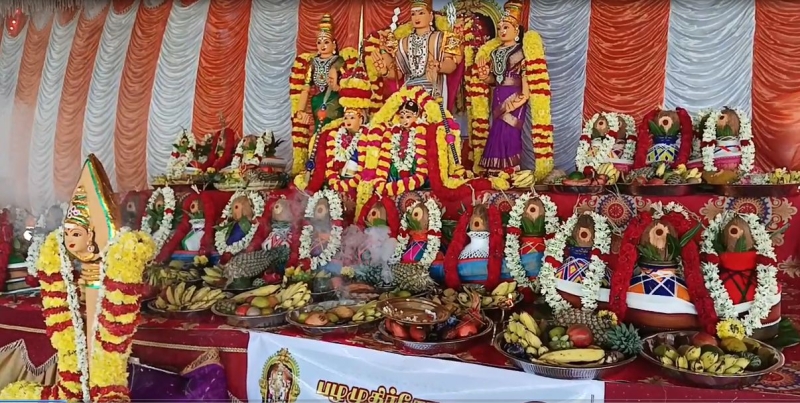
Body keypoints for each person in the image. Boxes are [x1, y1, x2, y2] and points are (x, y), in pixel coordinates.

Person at [372, 0, 463, 108]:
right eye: (413, 14)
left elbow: (451, 64)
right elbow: (399, 73)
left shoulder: (444, 37)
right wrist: (385, 71)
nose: (416, 17)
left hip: (433, 90)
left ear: (431, 16)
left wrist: (439, 66)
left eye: (421, 13)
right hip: (409, 94)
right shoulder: (402, 42)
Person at [474, 1, 528, 174]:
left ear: (516, 31)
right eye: (499, 28)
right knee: (497, 130)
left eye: (506, 27)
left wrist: (520, 100)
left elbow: (526, 82)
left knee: (511, 132)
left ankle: (512, 171)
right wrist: (485, 76)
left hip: (515, 97)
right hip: (498, 96)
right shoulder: (494, 52)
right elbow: (495, 79)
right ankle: (496, 171)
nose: (502, 31)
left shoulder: (523, 51)